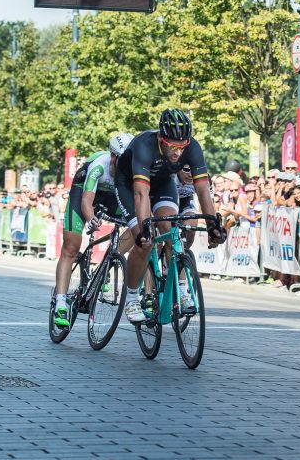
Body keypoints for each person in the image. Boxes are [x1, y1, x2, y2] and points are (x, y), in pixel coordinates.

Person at [115, 109, 223, 323]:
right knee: (144, 242)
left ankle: (181, 290)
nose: (177, 152)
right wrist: (143, 228)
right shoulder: (144, 145)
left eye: (181, 147)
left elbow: (202, 190)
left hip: (163, 182)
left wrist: (213, 225)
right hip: (130, 185)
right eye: (171, 146)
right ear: (160, 138)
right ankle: (133, 297)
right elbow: (140, 193)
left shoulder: (192, 147)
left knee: (172, 230)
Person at [53, 132, 133, 327]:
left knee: (136, 226)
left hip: (111, 196)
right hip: (84, 191)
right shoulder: (100, 165)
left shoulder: (131, 172)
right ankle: (61, 302)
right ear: (114, 157)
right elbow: (87, 201)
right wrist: (90, 220)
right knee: (71, 247)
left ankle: (107, 264)